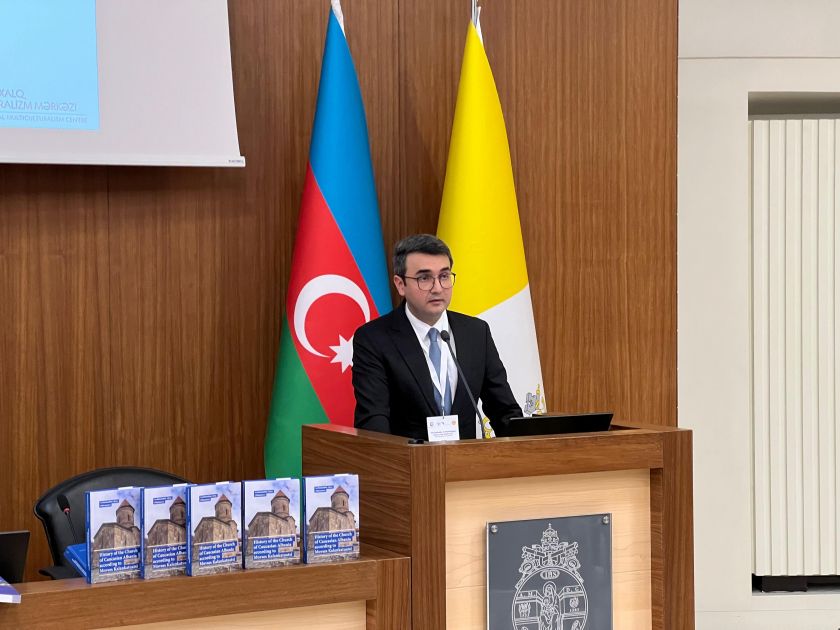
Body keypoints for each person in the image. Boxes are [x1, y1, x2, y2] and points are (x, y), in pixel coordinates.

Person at [352, 234, 521, 439]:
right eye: (424, 278)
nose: (438, 288)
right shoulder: (374, 339)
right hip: (407, 458)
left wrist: (525, 445)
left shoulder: (476, 333)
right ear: (400, 284)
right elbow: (373, 422)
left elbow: (504, 411)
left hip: (467, 458)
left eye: (444, 276)